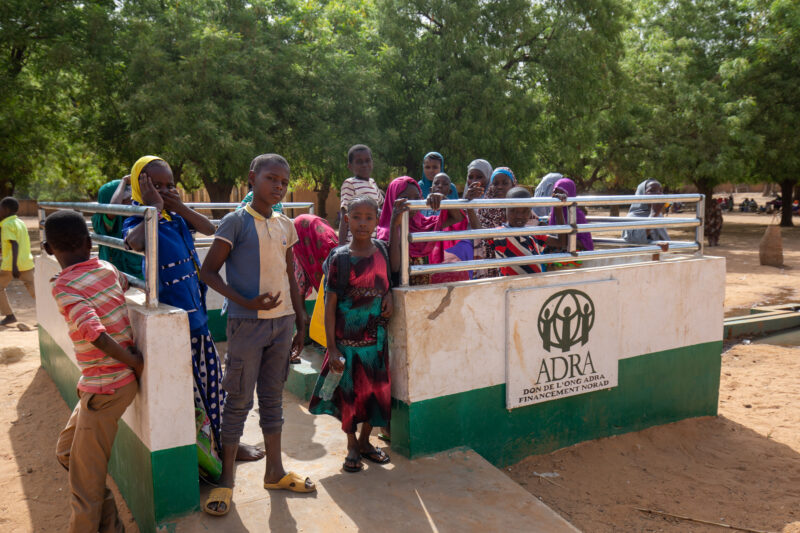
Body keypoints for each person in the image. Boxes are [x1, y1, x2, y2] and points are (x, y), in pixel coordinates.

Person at [122, 156, 264, 468]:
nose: (164, 191)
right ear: (140, 187)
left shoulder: (176, 217)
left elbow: (210, 228)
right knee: (189, 394)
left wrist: (179, 207)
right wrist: (153, 208)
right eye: (155, 185)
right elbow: (134, 242)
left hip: (196, 317)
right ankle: (207, 452)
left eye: (169, 185)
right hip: (172, 324)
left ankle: (228, 443)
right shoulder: (139, 217)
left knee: (213, 386)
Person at [200, 153, 315, 516]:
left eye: (284, 181)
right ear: (252, 178)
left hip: (282, 324)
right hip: (247, 325)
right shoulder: (235, 222)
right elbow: (208, 272)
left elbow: (290, 274)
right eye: (271, 178)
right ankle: (226, 480)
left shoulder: (286, 225)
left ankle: (274, 472)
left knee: (272, 398)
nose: (278, 186)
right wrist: (245, 301)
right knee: (238, 400)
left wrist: (300, 320)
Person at [44, 210, 144, 533]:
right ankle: (111, 525)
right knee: (67, 453)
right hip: (100, 385)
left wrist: (132, 361)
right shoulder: (106, 268)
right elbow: (124, 284)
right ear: (90, 242)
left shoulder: (64, 286)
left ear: (48, 250)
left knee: (84, 489)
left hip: (106, 387)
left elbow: (94, 333)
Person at [308, 196, 393, 473]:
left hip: (376, 344)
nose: (362, 223)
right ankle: (352, 445)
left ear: (377, 220)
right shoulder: (341, 258)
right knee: (349, 398)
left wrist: (389, 295)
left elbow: (388, 283)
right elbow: (330, 305)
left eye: (369, 217)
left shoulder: (382, 250)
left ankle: (366, 441)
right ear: (347, 219)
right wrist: (332, 348)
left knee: (375, 394)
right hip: (346, 345)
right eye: (356, 217)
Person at [379, 176, 466, 286]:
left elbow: (458, 218)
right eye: (405, 198)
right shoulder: (385, 232)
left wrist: (443, 199)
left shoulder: (423, 224)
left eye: (417, 198)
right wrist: (394, 224)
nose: (412, 203)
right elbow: (395, 267)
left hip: (423, 290)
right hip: (399, 291)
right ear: (393, 199)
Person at [486, 187, 569, 276]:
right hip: (511, 284)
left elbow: (561, 242)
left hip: (534, 283)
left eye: (525, 211)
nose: (519, 216)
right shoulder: (501, 234)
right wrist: (473, 204)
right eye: (513, 210)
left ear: (530, 212)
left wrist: (558, 209)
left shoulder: (533, 233)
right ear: (505, 209)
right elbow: (479, 233)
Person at [467, 167, 518, 278]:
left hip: (516, 261)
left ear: (513, 185)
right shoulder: (485, 208)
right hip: (490, 263)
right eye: (495, 183)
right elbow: (479, 232)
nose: (499, 186)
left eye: (505, 183)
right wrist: (469, 205)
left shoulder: (521, 207)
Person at [92, 177, 144, 279]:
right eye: (125, 198)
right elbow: (113, 209)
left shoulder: (135, 217)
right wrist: (124, 181)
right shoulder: (101, 220)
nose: (131, 201)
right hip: (115, 275)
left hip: (138, 271)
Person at [338, 144, 384, 243]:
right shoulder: (350, 184)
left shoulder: (373, 183)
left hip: (371, 243)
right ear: (350, 166)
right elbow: (344, 216)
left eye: (367, 160)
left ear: (372, 163)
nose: (364, 165)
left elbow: (382, 205)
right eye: (359, 162)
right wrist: (340, 247)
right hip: (353, 243)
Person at [0, 196, 35, 325]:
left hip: (11, 265)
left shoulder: (7, 225)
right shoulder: (20, 222)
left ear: (6, 209)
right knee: (34, 291)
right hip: (26, 262)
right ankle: (50, 314)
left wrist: (14, 266)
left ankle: (9, 316)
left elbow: (14, 244)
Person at [549, 177, 594, 251]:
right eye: (556, 192)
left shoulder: (577, 215)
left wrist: (558, 211)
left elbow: (586, 244)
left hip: (575, 251)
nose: (558, 196)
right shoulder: (553, 212)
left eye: (562, 193)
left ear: (569, 194)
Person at [622, 179, 670, 244]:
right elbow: (634, 240)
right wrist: (653, 215)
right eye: (652, 191)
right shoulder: (631, 218)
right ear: (641, 194)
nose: (658, 193)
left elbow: (663, 240)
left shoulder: (659, 215)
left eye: (660, 191)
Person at [418, 152, 458, 216]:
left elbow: (457, 213)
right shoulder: (417, 187)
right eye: (427, 167)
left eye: (435, 167)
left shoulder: (451, 187)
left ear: (441, 168)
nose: (431, 170)